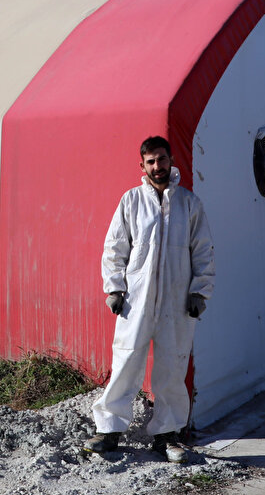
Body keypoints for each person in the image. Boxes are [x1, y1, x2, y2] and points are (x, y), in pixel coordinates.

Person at [81, 136, 215, 463]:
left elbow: (203, 252)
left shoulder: (189, 204)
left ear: (171, 161)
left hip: (177, 303)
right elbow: (115, 249)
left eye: (162, 160)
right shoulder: (131, 202)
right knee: (127, 362)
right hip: (136, 303)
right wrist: (114, 288)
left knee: (171, 367)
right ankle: (109, 430)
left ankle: (167, 436)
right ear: (142, 165)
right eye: (151, 161)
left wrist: (199, 291)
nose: (158, 167)